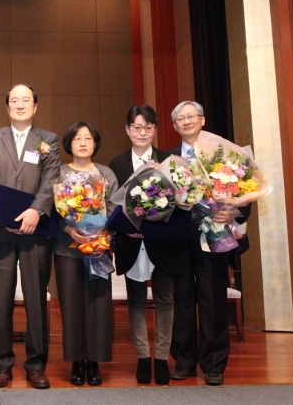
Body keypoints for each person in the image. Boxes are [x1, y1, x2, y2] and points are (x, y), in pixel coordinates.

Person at [0, 84, 60, 389]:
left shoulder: (48, 140)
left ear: (35, 107)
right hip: (0, 230)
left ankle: (36, 365)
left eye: (27, 100)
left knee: (37, 300)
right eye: (15, 100)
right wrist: (1, 211)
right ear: (8, 106)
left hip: (36, 230)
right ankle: (2, 364)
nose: (21, 104)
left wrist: (35, 211)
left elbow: (51, 179)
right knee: (0, 301)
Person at [167, 101, 251, 386]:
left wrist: (234, 211)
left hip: (213, 235)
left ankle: (214, 364)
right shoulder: (168, 160)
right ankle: (184, 361)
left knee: (213, 298)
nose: (186, 121)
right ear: (175, 125)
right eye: (181, 118)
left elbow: (246, 190)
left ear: (202, 120)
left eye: (191, 116)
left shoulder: (223, 155)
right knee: (182, 299)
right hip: (179, 238)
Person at [109, 105, 181, 385]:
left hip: (161, 243)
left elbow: (179, 205)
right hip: (130, 244)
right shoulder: (117, 163)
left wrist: (152, 228)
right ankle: (142, 357)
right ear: (127, 129)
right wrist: (128, 230)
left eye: (148, 127)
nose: (142, 133)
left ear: (155, 129)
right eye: (137, 127)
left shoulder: (168, 161)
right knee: (136, 302)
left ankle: (161, 358)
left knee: (165, 301)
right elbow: (114, 206)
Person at [54, 121, 118, 386]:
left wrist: (103, 233)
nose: (82, 142)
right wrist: (70, 229)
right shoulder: (58, 174)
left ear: (95, 143)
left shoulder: (106, 174)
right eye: (77, 138)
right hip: (67, 249)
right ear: (69, 143)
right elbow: (50, 211)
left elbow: (116, 209)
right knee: (71, 305)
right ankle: (77, 362)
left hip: (99, 248)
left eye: (88, 138)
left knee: (98, 305)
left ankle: (94, 362)